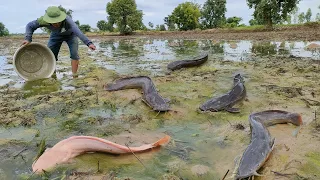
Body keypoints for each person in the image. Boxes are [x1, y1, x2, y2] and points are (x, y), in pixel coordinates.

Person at [22, 6, 96, 78]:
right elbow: (30, 26)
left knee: (74, 54)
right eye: (54, 22)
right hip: (55, 35)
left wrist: (89, 43)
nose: (57, 24)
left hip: (71, 35)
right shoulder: (43, 20)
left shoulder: (67, 20)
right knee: (50, 55)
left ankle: (74, 75)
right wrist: (28, 39)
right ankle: (52, 74)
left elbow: (78, 31)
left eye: (58, 21)